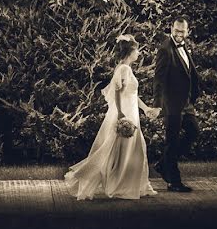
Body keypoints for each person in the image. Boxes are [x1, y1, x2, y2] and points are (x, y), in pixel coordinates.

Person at [64, 34, 160, 200]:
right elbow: (116, 91)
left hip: (131, 112)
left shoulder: (125, 69)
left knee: (130, 150)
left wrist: (145, 109)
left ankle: (136, 185)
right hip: (126, 113)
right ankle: (125, 186)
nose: (139, 53)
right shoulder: (124, 69)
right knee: (129, 150)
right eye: (137, 50)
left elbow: (132, 94)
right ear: (130, 51)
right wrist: (121, 113)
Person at [153, 17, 201, 192]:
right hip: (172, 104)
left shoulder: (184, 47)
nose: (179, 34)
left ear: (187, 31)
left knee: (194, 132)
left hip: (186, 103)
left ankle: (163, 163)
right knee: (171, 142)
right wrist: (158, 104)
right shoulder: (165, 50)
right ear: (171, 29)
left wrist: (194, 96)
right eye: (176, 30)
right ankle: (174, 182)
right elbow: (158, 79)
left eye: (182, 31)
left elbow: (189, 74)